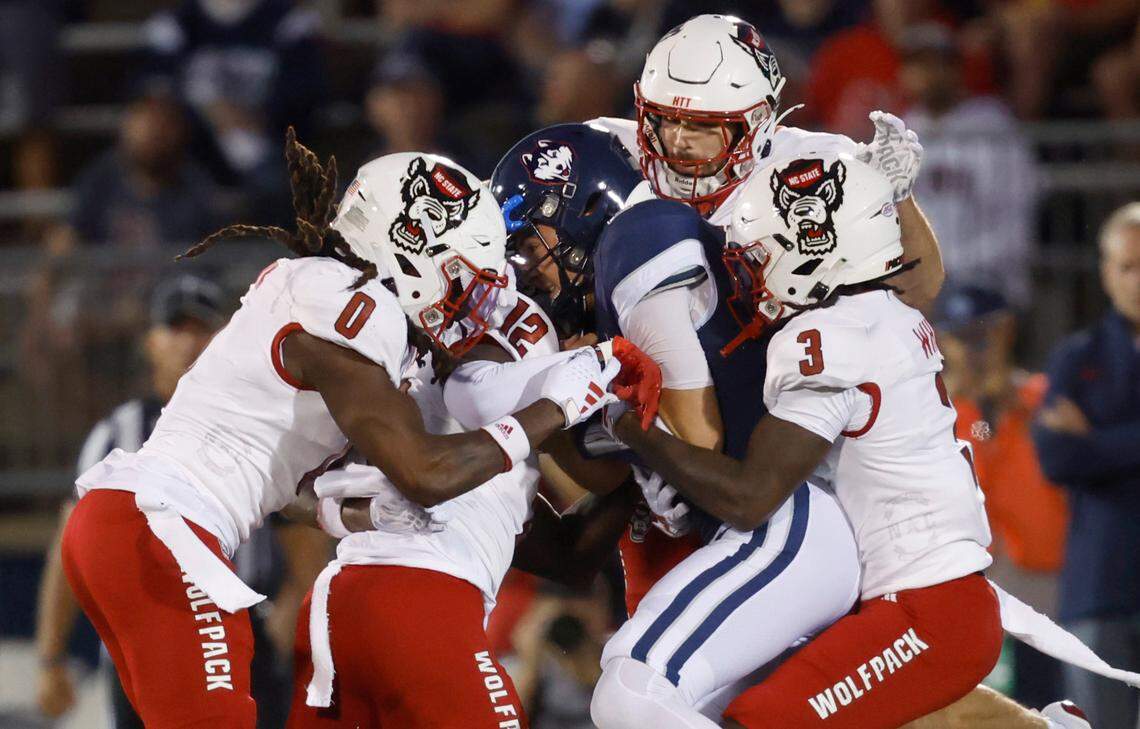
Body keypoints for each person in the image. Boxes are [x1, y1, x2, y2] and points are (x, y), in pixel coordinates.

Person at [59, 129, 641, 727]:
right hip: (162, 529)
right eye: (461, 277)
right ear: (412, 246)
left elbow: (276, 471)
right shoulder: (354, 308)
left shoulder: (322, 295)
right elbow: (427, 472)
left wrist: (344, 513)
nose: (466, 303)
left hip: (133, 524)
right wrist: (558, 405)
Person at [606, 149, 1133, 728]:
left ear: (813, 249)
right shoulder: (883, 309)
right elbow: (915, 276)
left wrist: (634, 429)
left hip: (926, 608)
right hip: (925, 597)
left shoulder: (825, 338)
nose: (750, 275)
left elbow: (750, 496)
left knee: (761, 720)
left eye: (761, 256)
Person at [35, 274, 329, 728]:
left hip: (242, 616)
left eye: (203, 328)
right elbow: (69, 545)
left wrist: (294, 604)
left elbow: (297, 528)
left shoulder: (251, 424)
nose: (190, 342)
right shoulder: (119, 432)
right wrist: (50, 658)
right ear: (150, 342)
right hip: (147, 620)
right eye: (177, 328)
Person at [1033, 202, 1140, 729]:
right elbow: (1055, 457)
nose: (1138, 280)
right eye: (1128, 266)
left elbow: (1079, 452)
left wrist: (1097, 440)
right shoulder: (1077, 356)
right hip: (1101, 585)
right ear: (1106, 273)